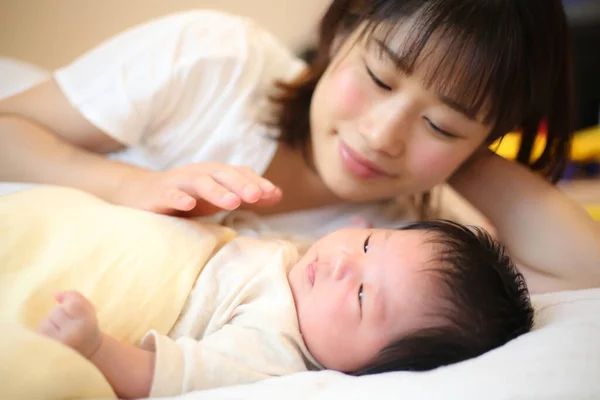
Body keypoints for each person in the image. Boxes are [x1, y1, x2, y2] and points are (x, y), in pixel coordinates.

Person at [37, 147, 600, 399]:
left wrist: (93, 346)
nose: (341, 262)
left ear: (369, 370)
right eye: (367, 242)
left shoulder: (275, 345)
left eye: (359, 295)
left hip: (100, 276)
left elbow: (164, 378)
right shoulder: (304, 263)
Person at [0, 0, 574, 240]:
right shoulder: (214, 61)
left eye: (443, 126)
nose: (381, 136)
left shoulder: (406, 240)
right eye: (378, 79)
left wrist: (462, 154)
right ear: (345, 30)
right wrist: (134, 186)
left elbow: (585, 277)